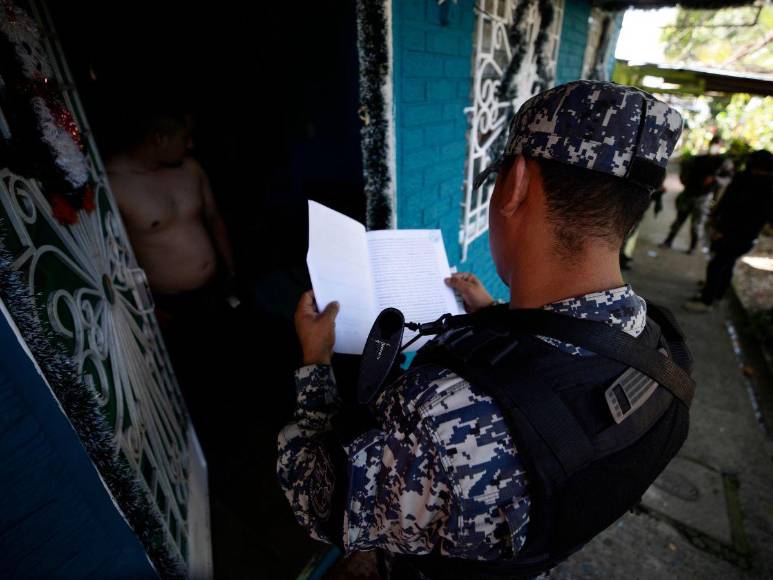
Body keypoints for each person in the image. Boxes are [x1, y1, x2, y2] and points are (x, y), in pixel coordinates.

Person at [278, 81, 692, 579]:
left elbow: (317, 499)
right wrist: (493, 312)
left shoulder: (441, 415)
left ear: (515, 184)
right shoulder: (664, 350)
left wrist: (314, 365)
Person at [684, 149, 773, 313]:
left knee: (717, 264)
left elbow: (730, 206)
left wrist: (719, 228)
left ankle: (707, 300)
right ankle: (717, 293)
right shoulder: (768, 185)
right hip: (748, 236)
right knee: (727, 262)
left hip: (731, 232)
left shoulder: (745, 179)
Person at [661, 137, 731, 254]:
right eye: (713, 143)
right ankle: (669, 240)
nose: (714, 146)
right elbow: (685, 167)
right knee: (679, 219)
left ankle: (692, 247)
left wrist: (715, 179)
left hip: (704, 197)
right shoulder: (700, 159)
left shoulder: (723, 162)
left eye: (717, 144)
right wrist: (684, 179)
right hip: (689, 193)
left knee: (696, 224)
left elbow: (727, 178)